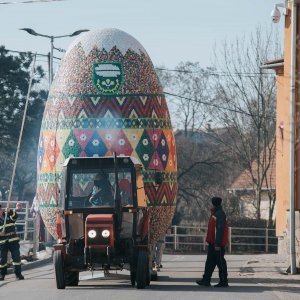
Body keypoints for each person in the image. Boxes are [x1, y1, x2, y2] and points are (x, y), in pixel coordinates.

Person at [196, 196, 228, 287]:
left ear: (214, 203)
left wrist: (217, 243)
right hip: (213, 243)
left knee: (220, 263)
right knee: (209, 262)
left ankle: (224, 281)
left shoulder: (219, 214)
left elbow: (219, 230)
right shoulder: (216, 213)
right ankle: (206, 280)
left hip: (217, 244)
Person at [0, 203, 24, 281]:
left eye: (0, 210)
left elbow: (15, 217)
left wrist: (10, 211)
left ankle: (18, 274)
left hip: (13, 240)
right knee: (2, 259)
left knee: (16, 258)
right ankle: (2, 274)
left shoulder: (7, 215)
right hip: (2, 242)